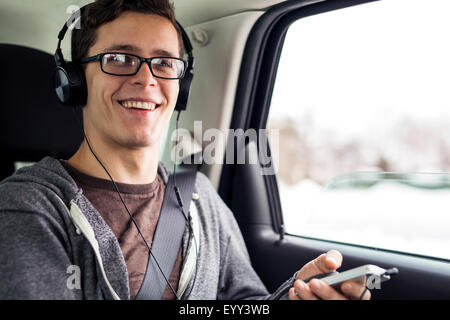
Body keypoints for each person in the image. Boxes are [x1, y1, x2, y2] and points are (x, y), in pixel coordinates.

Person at [0, 0, 370, 300]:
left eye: (164, 63)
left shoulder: (199, 198)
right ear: (75, 82)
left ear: (182, 85)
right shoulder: (26, 207)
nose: (146, 79)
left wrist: (293, 298)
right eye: (120, 59)